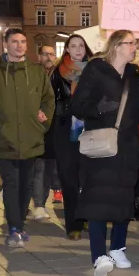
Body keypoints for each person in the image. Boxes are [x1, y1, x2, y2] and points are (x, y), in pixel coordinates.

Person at [71, 30, 139, 276]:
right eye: (131, 43)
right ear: (117, 45)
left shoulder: (134, 73)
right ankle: (98, 255)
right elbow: (77, 106)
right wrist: (98, 109)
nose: (135, 47)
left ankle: (117, 248)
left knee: (123, 197)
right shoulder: (96, 69)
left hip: (127, 145)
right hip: (101, 144)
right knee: (98, 198)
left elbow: (135, 106)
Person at [0, 28, 55, 248]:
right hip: (6, 142)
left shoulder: (37, 73)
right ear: (6, 45)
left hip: (31, 139)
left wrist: (43, 121)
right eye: (14, 41)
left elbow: (49, 100)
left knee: (26, 185)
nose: (19, 45)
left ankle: (19, 225)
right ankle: (14, 228)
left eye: (22, 41)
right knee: (11, 184)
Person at [51, 35, 92, 240]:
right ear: (66, 49)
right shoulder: (57, 73)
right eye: (73, 46)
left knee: (89, 177)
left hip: (91, 129)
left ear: (86, 48)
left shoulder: (95, 70)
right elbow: (49, 100)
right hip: (65, 129)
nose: (77, 49)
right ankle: (73, 224)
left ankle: (85, 216)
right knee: (69, 178)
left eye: (81, 46)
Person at [32, 44, 61, 221]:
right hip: (36, 127)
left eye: (51, 54)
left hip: (55, 128)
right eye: (45, 54)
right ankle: (39, 204)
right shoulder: (34, 75)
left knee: (48, 167)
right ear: (39, 57)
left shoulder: (60, 75)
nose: (49, 57)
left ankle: (41, 201)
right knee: (39, 168)